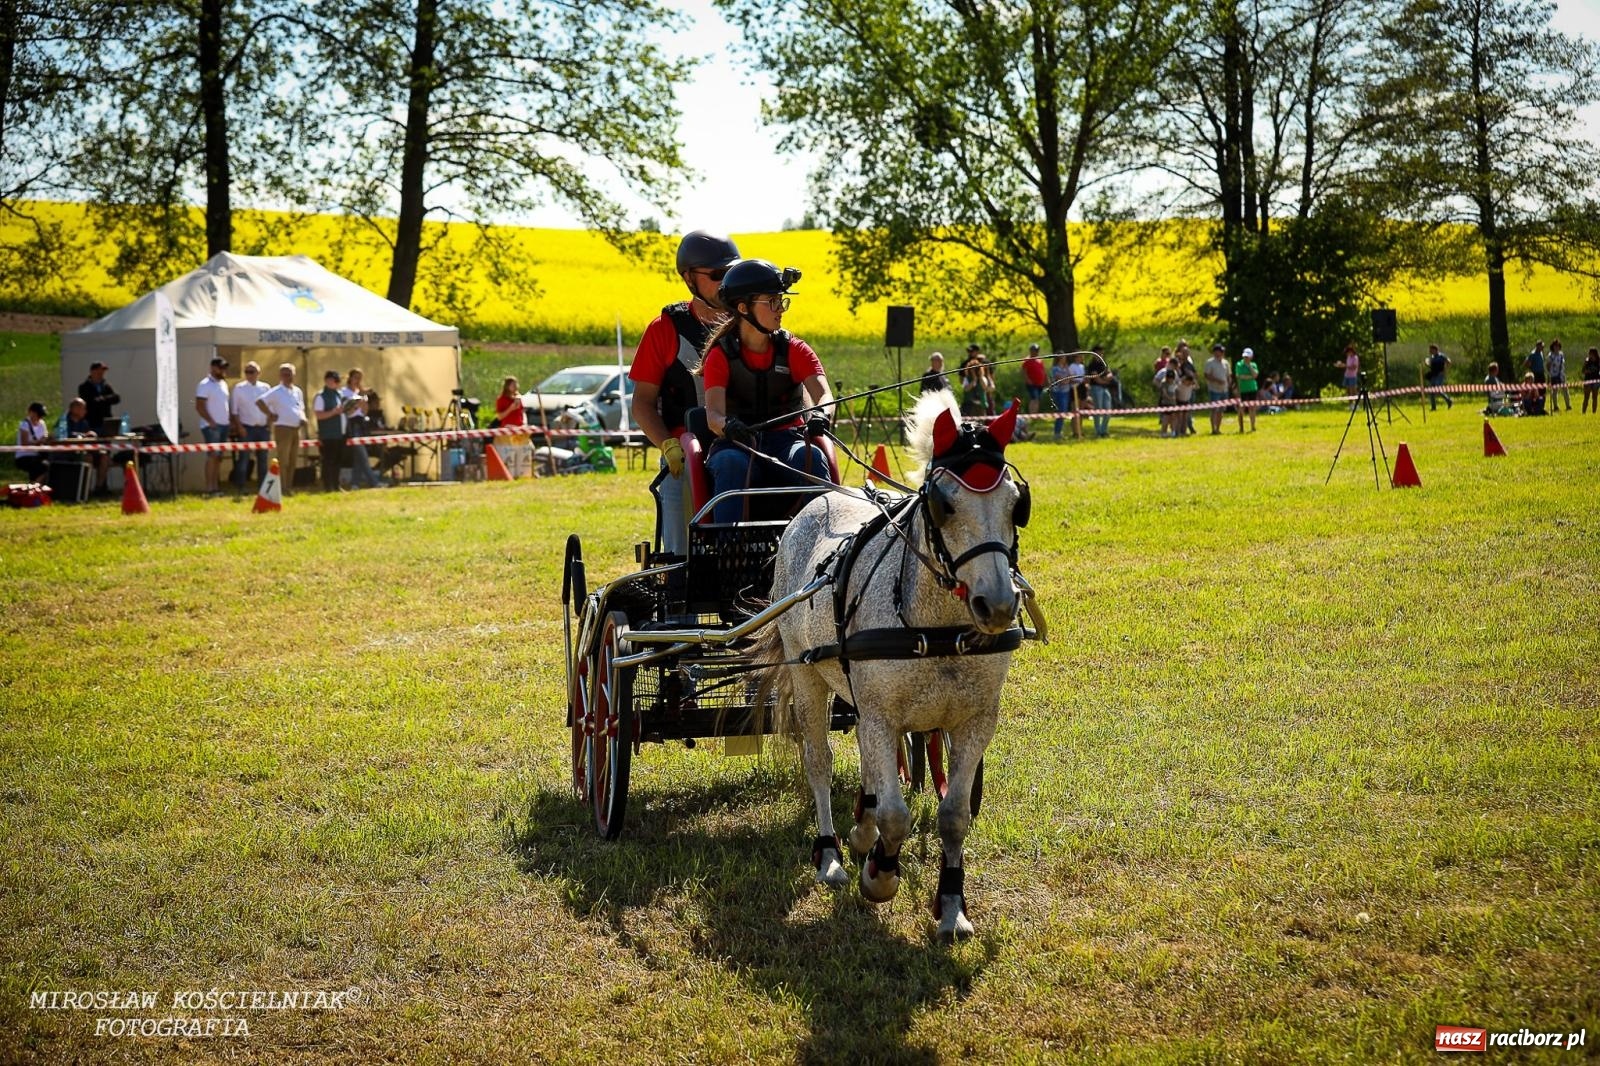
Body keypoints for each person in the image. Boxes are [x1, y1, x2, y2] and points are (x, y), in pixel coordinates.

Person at [627, 230, 740, 554]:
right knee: (676, 489)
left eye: (731, 273)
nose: (725, 282)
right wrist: (668, 445)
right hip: (686, 452)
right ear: (689, 278)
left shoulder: (749, 322)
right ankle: (679, 582)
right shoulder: (663, 329)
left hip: (743, 444)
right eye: (717, 274)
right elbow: (643, 404)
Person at [700, 258, 833, 524]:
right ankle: (729, 552)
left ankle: (822, 550)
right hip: (737, 445)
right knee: (730, 464)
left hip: (788, 442)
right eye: (772, 301)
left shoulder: (795, 349)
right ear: (743, 307)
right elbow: (713, 416)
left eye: (781, 301)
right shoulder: (720, 356)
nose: (781, 309)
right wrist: (727, 427)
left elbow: (824, 396)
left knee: (811, 456)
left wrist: (822, 414)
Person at [257, 363, 307, 494]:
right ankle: (281, 487)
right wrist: (269, 414)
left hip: (295, 428)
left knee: (292, 459)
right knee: (283, 459)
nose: (287, 376)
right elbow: (260, 401)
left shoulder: (297, 391)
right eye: (284, 374)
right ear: (280, 376)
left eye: (289, 374)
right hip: (282, 428)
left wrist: (302, 417)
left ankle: (288, 486)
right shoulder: (276, 391)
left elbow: (299, 407)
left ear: (294, 375)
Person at [77, 362, 120, 491]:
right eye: (99, 371)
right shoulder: (84, 387)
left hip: (105, 424)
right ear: (92, 372)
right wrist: (104, 400)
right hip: (91, 425)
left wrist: (101, 399)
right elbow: (91, 402)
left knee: (105, 454)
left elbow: (116, 398)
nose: (101, 374)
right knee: (92, 454)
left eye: (103, 371)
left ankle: (101, 485)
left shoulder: (106, 386)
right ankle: (85, 487)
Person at [230, 360, 273, 491]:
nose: (249, 374)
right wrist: (239, 427)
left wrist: (269, 425)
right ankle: (241, 486)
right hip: (246, 427)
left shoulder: (266, 387)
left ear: (258, 373)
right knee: (244, 458)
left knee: (263, 458)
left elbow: (270, 407)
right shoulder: (239, 388)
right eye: (247, 372)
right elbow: (234, 411)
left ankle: (263, 487)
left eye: (252, 371)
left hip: (262, 428)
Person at [341, 368, 385, 488]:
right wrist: (356, 403)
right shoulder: (344, 392)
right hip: (351, 424)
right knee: (363, 455)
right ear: (350, 378)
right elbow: (346, 411)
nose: (358, 380)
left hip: (361, 424)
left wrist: (363, 401)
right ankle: (374, 481)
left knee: (358, 457)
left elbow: (365, 411)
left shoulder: (360, 393)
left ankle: (355, 482)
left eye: (360, 378)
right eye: (356, 377)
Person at [194, 355, 231, 497]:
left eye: (224, 367)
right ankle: (209, 488)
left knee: (219, 458)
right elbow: (199, 405)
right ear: (213, 368)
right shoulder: (204, 384)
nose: (223, 370)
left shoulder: (223, 384)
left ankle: (215, 486)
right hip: (212, 426)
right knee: (212, 456)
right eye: (221, 367)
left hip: (224, 425)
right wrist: (210, 421)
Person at [311, 370, 348, 491]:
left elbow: (343, 411)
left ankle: (336, 485)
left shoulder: (339, 394)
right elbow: (319, 415)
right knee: (328, 461)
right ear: (327, 380)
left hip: (340, 433)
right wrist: (334, 412)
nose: (337, 383)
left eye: (338, 381)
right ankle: (328, 486)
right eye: (335, 380)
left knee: (338, 461)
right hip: (328, 434)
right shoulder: (321, 396)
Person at [14, 402, 49, 482]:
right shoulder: (24, 424)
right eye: (39, 414)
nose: (41, 417)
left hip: (38, 455)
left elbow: (45, 434)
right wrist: (39, 441)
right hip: (24, 457)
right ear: (31, 412)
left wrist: (46, 438)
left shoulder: (42, 423)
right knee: (42, 467)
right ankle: (34, 486)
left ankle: (34, 486)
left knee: (51, 464)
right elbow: (24, 443)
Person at [1084, 346, 1114, 438]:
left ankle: (1104, 430)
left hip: (1105, 389)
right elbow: (1096, 379)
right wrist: (1105, 380)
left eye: (1102, 352)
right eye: (1099, 352)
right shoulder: (1092, 365)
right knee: (1098, 410)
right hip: (1096, 389)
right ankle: (1098, 431)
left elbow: (1110, 374)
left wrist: (1106, 378)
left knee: (1108, 410)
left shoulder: (1103, 363)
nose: (1101, 354)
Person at [1203, 343, 1230, 434]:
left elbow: (1228, 375)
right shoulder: (1210, 362)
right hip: (1214, 390)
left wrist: (1229, 384)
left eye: (1222, 351)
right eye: (1219, 351)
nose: (1221, 353)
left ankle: (1218, 428)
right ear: (1215, 352)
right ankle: (1213, 429)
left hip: (1224, 390)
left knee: (1221, 411)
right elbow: (1206, 375)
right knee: (1214, 410)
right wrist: (1217, 381)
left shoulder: (1226, 363)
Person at [959, 345, 992, 416]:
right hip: (969, 407)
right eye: (972, 369)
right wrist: (974, 379)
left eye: (976, 369)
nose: (974, 371)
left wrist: (980, 376)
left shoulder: (982, 377)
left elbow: (985, 387)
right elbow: (966, 389)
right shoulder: (967, 378)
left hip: (981, 407)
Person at [1174, 344, 1198, 434]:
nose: (1186, 354)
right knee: (1179, 414)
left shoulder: (1189, 364)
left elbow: (1195, 375)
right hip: (1180, 390)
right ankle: (1178, 431)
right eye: (1184, 352)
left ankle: (1184, 430)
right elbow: (1179, 377)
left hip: (1190, 389)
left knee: (1187, 412)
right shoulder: (1179, 365)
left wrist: (1193, 381)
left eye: (1187, 352)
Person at [1234, 347, 1259, 432]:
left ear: (1251, 357)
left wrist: (1249, 367)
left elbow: (1255, 375)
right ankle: (1241, 428)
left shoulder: (1253, 365)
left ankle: (1253, 426)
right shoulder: (1239, 364)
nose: (1246, 358)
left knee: (1252, 408)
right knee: (1241, 409)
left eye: (1247, 357)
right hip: (1242, 389)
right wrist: (1250, 377)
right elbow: (1239, 376)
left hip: (1252, 389)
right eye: (1245, 357)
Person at [1049, 354, 1073, 441]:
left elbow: (1071, 377)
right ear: (1060, 358)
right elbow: (1060, 380)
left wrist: (1067, 376)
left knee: (1063, 412)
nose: (1065, 359)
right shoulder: (1055, 368)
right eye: (1064, 357)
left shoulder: (1065, 368)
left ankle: (1059, 432)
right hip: (1058, 393)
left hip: (1066, 392)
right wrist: (1067, 380)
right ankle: (1057, 433)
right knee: (1061, 412)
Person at [1424, 343, 1453, 410]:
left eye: (1431, 350)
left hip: (1439, 375)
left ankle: (1449, 400)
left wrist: (1445, 370)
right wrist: (1427, 363)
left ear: (1435, 349)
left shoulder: (1441, 356)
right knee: (1431, 391)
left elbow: (1449, 362)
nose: (1430, 351)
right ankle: (1433, 407)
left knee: (1438, 390)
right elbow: (1430, 365)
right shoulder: (1432, 357)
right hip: (1433, 375)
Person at [1022, 343, 1047, 415]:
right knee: (1034, 398)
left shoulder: (1040, 360)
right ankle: (1032, 414)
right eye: (1034, 350)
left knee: (1038, 399)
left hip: (1040, 384)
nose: (1036, 352)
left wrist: (1046, 381)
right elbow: (1023, 371)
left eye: (1037, 350)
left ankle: (1035, 414)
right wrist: (1027, 380)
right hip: (1031, 384)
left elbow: (1043, 371)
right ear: (1031, 351)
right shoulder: (1027, 360)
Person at [1547, 338, 1569, 413]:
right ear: (1552, 347)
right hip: (1554, 375)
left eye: (1558, 346)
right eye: (1555, 346)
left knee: (1565, 390)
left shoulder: (1561, 354)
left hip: (1561, 374)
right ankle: (1555, 406)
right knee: (1555, 391)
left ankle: (1568, 405)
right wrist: (1549, 374)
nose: (1556, 347)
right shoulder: (1550, 355)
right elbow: (1548, 365)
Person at [1583, 347, 1600, 414]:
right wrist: (1586, 371)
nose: (1590, 355)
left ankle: (1594, 412)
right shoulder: (1587, 361)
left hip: (1596, 381)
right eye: (1589, 354)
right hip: (1588, 380)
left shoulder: (1598, 361)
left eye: (1591, 354)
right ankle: (1584, 412)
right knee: (1586, 397)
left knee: (1595, 397)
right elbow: (1583, 371)